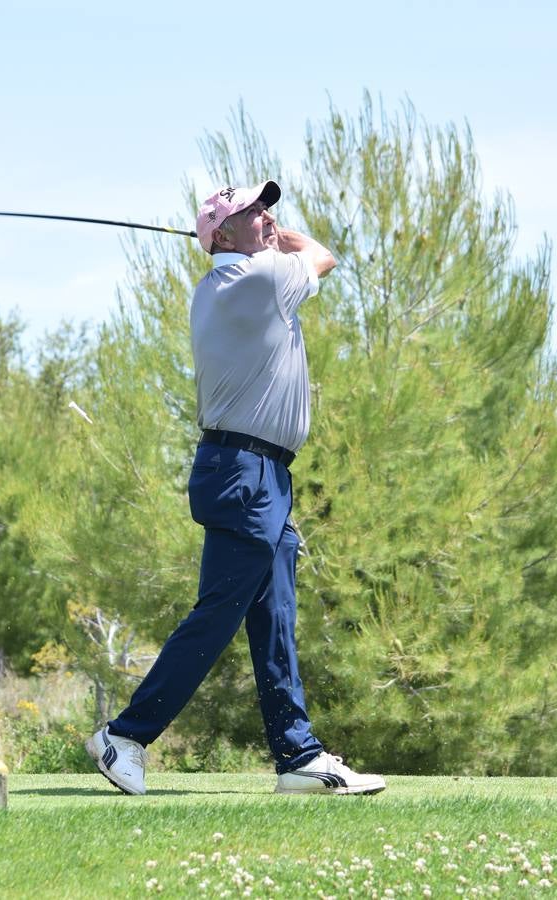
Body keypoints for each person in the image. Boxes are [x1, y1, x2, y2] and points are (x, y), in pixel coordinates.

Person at [85, 180, 385, 796]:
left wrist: (257, 234)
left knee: (274, 615)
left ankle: (298, 758)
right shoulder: (257, 281)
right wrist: (278, 239)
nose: (268, 217)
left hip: (261, 472)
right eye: (253, 211)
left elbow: (300, 251)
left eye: (268, 207)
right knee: (220, 614)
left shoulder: (228, 281)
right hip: (244, 472)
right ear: (221, 235)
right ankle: (125, 736)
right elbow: (323, 252)